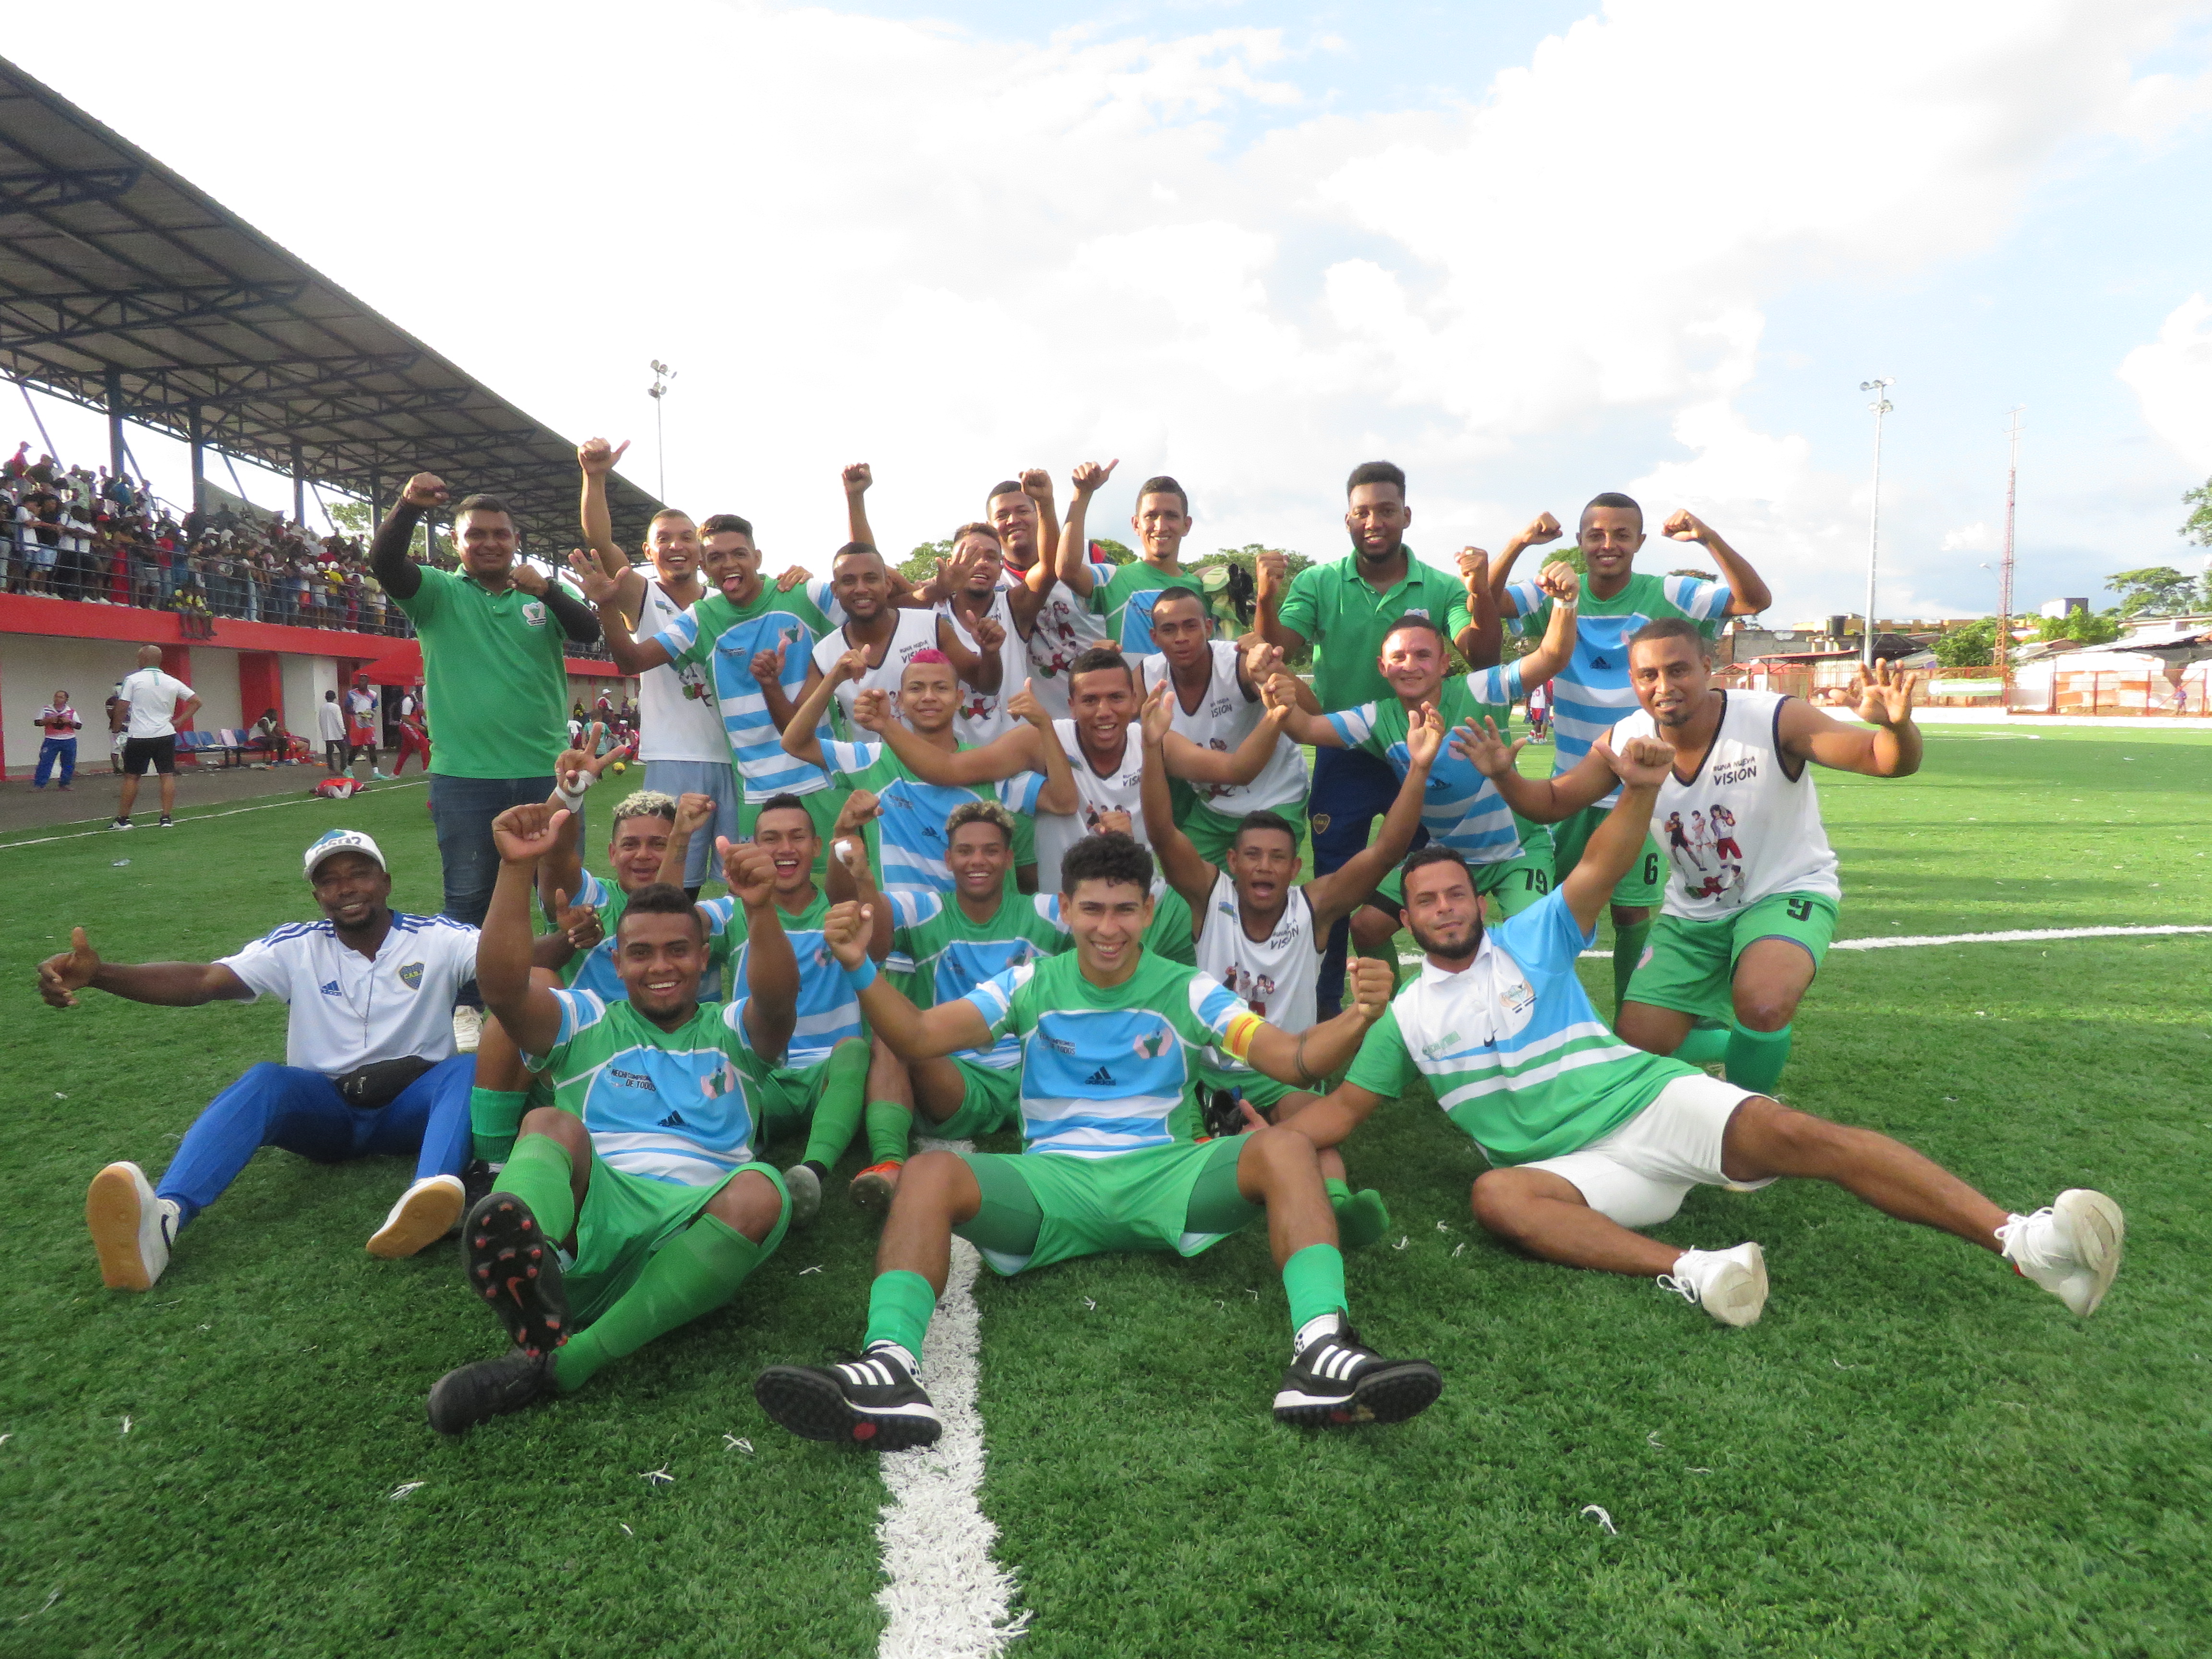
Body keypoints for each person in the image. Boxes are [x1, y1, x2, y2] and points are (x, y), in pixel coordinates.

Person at [1280, 748, 2124, 1329]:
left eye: (1456, 895)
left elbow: (1600, 866)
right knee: (1497, 1199)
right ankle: (1698, 1267)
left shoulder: (1529, 937)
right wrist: (1261, 1145)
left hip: (1648, 1104)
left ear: (1477, 900)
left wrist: (1640, 790)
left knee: (1803, 1136)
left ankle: (2024, 1241)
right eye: (1426, 901)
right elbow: (1338, 1114)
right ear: (1405, 918)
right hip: (1580, 1177)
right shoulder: (1405, 1018)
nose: (1444, 909)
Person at [750, 832, 1439, 1447]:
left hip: (1168, 1176)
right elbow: (918, 1036)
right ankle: (889, 1364)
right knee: (930, 1173)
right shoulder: (1029, 985)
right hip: (1055, 1186)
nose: (1109, 928)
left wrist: (1359, 1017)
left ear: (1149, 912)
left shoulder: (1189, 990)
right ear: (1067, 910)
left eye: (1125, 910)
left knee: (1286, 1146)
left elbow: (1294, 1062)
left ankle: (1322, 1351)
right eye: (1093, 910)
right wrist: (859, 966)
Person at [422, 806, 802, 1433]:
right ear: (618, 962)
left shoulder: (731, 1029)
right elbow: (504, 991)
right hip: (594, 1225)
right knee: (549, 1125)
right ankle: (534, 1260)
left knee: (763, 1188)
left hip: (696, 1229)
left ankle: (571, 1360)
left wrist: (760, 910)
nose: (661, 967)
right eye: (641, 953)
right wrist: (515, 871)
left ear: (704, 958)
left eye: (678, 951)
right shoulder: (588, 1019)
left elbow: (778, 1000)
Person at [1462, 622, 1923, 1097]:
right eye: (1648, 675)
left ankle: (1747, 1122)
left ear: (1707, 668)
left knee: (1763, 1005)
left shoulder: (1774, 718)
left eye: (1678, 670)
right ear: (1634, 681)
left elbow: (1882, 759)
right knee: (1638, 1043)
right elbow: (1554, 802)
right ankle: (1742, 1047)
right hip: (1693, 913)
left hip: (1785, 890)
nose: (1664, 686)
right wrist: (1504, 775)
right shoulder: (1627, 738)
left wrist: (1895, 726)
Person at [43, 830, 496, 1290]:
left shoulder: (437, 937)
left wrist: (548, 911)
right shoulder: (296, 945)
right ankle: (164, 1220)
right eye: (329, 881)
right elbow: (203, 982)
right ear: (318, 896)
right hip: (328, 1111)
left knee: (466, 1068)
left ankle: (430, 1196)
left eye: (359, 874)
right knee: (266, 1080)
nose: (345, 888)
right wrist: (100, 975)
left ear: (386, 882)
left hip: (412, 1108)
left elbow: (511, 957)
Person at [1139, 682, 1441, 1247]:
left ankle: (1340, 1205)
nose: (1264, 867)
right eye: (1252, 855)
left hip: (1284, 1072)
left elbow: (1385, 852)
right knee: (1166, 1135)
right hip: (1206, 1069)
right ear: (1232, 861)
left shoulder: (1314, 907)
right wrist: (1153, 749)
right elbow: (1162, 833)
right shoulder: (1209, 895)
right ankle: (1221, 1158)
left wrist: (1419, 768)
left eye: (1278, 858)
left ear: (1294, 867)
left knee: (1311, 1130)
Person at [1486, 498, 1773, 1012]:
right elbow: (1486, 606)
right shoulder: (1558, 591)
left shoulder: (1669, 592)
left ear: (1640, 542)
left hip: (1642, 790)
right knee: (1553, 914)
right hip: (1572, 787)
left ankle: (1631, 1023)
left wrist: (1708, 537)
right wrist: (1519, 543)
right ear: (1579, 542)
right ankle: (1540, 1020)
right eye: (1596, 535)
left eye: (1622, 534)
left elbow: (1754, 601)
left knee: (1631, 915)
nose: (1608, 545)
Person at [1254, 460, 1478, 1016]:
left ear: (1406, 515)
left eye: (1385, 510)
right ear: (1348, 519)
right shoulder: (1318, 582)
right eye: (1362, 512)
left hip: (1419, 752)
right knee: (1332, 892)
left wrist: (1483, 589)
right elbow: (1280, 646)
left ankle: (1435, 1010)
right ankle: (1326, 1010)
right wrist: (1264, 596)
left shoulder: (1442, 586)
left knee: (1425, 888)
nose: (1374, 521)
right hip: (1345, 751)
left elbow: (1478, 650)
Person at [1267, 589, 1580, 959]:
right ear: (1383, 667)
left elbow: (1552, 656)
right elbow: (1305, 728)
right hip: (1446, 856)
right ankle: (1389, 999)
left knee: (1532, 947)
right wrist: (1271, 681)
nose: (1410, 665)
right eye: (1398, 657)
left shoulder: (1481, 689)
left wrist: (1565, 602)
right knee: (1366, 927)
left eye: (1423, 655)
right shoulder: (1378, 718)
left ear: (1445, 663)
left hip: (1517, 854)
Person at [371, 473, 602, 954]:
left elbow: (588, 632)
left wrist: (548, 591)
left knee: (564, 898)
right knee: (468, 903)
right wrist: (409, 506)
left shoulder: (542, 594)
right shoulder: (436, 593)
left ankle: (562, 991)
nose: (490, 543)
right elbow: (385, 563)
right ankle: (473, 997)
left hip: (549, 774)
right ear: (455, 543)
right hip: (465, 779)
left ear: (516, 540)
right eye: (476, 534)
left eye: (500, 533)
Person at [855, 645, 1289, 892]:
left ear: (1133, 701)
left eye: (1116, 698)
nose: (1104, 711)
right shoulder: (1040, 740)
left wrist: (1275, 715)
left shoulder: (1152, 738)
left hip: (1140, 902)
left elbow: (1237, 770)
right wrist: (886, 726)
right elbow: (949, 769)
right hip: (1063, 913)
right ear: (1071, 704)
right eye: (1090, 700)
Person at [571, 519, 850, 861]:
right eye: (716, 557)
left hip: (825, 778)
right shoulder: (702, 618)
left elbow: (875, 598)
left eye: (739, 554)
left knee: (840, 883)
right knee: (760, 886)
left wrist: (854, 500)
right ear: (704, 566)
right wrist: (607, 605)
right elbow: (632, 661)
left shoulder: (804, 593)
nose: (729, 564)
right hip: (757, 791)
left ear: (758, 557)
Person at [576, 436, 736, 897]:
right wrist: (595, 477)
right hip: (674, 757)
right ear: (649, 550)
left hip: (736, 757)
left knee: (744, 883)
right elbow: (600, 541)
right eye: (664, 539)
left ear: (701, 550)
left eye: (686, 537)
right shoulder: (642, 594)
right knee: (672, 888)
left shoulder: (726, 602)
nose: (676, 546)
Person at [779, 646, 1067, 898]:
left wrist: (1044, 725)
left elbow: (1061, 801)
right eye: (916, 689)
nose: (929, 697)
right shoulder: (872, 759)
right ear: (899, 700)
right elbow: (795, 743)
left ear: (959, 698)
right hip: (903, 931)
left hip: (981, 930)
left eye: (941, 688)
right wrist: (833, 679)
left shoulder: (986, 765)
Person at [1138, 587, 1310, 863]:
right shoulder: (1146, 676)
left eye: (1190, 626)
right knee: (1186, 884)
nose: (1181, 638)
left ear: (1208, 627)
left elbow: (1312, 716)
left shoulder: (1238, 661)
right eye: (1169, 629)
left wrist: (1277, 671)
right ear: (1154, 637)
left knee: (1259, 884)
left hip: (1275, 799)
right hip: (1214, 809)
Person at [801, 540, 998, 733]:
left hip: (939, 755)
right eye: (849, 581)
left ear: (887, 584)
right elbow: (796, 726)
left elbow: (987, 686)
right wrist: (831, 680)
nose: (861, 589)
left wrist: (990, 652)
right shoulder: (825, 653)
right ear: (835, 590)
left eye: (871, 579)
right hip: (876, 757)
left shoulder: (929, 625)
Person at [1056, 462, 1206, 657]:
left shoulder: (1206, 590)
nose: (1161, 526)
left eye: (1171, 516)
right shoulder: (1113, 579)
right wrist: (1082, 494)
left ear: (1187, 525)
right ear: (1136, 524)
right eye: (1151, 516)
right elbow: (1067, 570)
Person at [112, 646, 198, 830]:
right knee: (166, 775)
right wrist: (180, 721)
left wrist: (116, 728)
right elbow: (196, 701)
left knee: (132, 777)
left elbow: (122, 706)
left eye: (139, 658)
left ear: (143, 659)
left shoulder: (133, 679)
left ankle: (123, 819)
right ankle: (166, 818)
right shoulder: (172, 681)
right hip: (165, 734)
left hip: (139, 735)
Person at [33, 690, 81, 790]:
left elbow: (79, 726)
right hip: (51, 740)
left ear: (66, 700)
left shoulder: (71, 711)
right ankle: (39, 784)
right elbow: (37, 723)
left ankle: (65, 783)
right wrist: (48, 720)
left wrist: (69, 721)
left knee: (69, 763)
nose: (58, 699)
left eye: (61, 697)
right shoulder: (46, 709)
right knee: (45, 762)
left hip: (69, 740)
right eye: (56, 697)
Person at [345, 676, 385, 780]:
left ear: (368, 682)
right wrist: (357, 713)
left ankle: (376, 772)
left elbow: (374, 708)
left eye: (363, 681)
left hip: (369, 724)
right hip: (357, 724)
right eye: (360, 681)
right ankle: (348, 769)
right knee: (356, 748)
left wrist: (371, 714)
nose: (361, 683)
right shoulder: (352, 694)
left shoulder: (373, 694)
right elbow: (347, 709)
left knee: (372, 746)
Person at [393, 702, 433, 775]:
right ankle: (426, 768)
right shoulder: (409, 701)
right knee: (425, 745)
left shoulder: (418, 702)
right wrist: (419, 726)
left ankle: (395, 773)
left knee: (406, 751)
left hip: (409, 727)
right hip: (408, 727)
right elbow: (405, 718)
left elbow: (422, 713)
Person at [317, 689, 348, 772]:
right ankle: (343, 769)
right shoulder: (336, 707)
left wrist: (323, 731)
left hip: (327, 733)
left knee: (329, 752)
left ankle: (331, 769)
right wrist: (344, 731)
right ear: (335, 698)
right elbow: (339, 720)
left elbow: (320, 720)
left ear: (326, 697)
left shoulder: (322, 707)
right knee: (343, 751)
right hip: (337, 733)